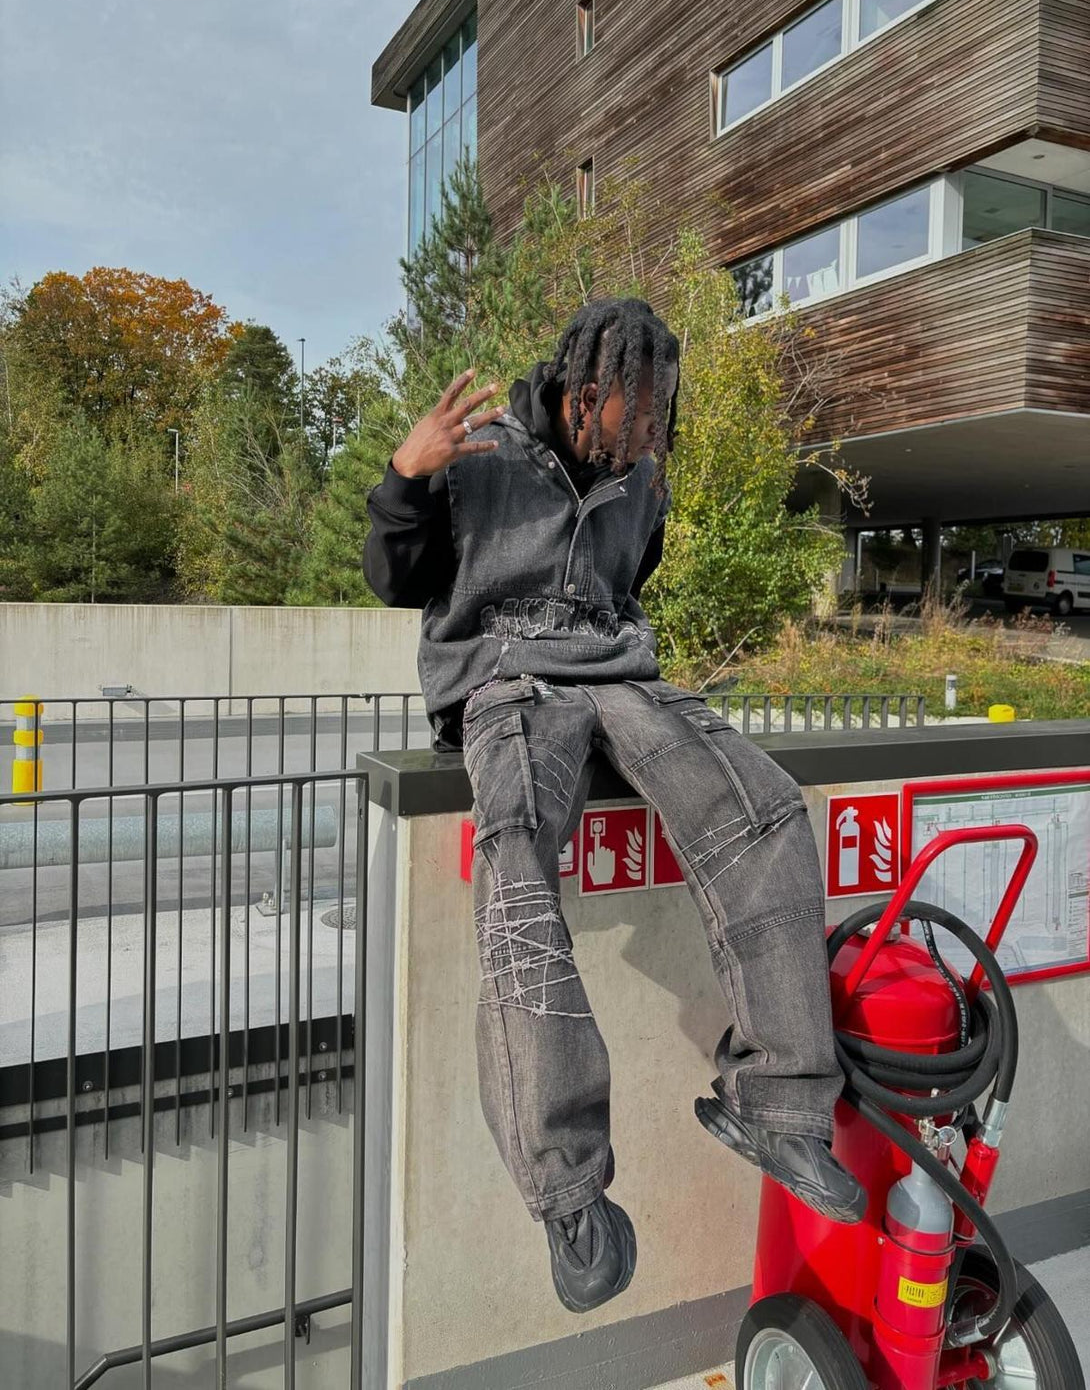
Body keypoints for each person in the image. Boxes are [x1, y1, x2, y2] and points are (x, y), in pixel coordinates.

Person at [363, 297, 865, 1315]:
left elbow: (636, 571)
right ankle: (568, 1190)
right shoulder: (486, 453)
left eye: (656, 422)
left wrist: (639, 481)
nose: (643, 441)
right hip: (506, 679)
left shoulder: (641, 476)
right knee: (515, 854)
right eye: (631, 418)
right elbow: (393, 578)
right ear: (580, 392)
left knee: (764, 806)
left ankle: (780, 1101)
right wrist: (406, 480)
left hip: (617, 675)